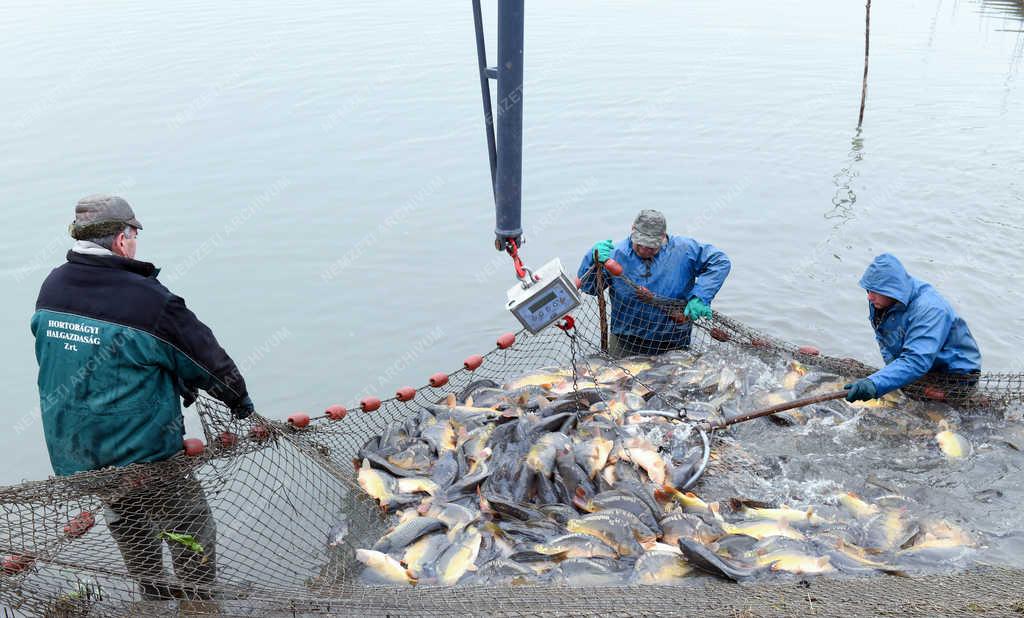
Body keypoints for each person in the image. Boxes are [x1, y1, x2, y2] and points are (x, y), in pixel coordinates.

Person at [31, 194, 254, 600]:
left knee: (127, 516)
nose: (135, 241)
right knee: (189, 524)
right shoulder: (151, 301)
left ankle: (151, 595)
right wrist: (241, 405)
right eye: (133, 234)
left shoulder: (53, 286)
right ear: (121, 240)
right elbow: (208, 363)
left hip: (77, 452)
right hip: (142, 451)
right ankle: (198, 600)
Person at [577, 209, 731, 357]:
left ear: (663, 236)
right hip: (625, 341)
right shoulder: (615, 254)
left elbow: (720, 262)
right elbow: (589, 288)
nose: (644, 249)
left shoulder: (685, 250)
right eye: (640, 243)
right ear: (632, 230)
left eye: (651, 245)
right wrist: (591, 259)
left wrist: (700, 296)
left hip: (674, 340)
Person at [845, 253, 981, 402]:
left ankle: (952, 397)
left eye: (875, 292)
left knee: (934, 407)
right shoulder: (879, 301)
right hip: (922, 366)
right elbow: (884, 339)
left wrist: (875, 383)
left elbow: (917, 360)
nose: (869, 297)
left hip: (956, 374)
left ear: (892, 290)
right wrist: (891, 376)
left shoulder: (931, 309)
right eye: (868, 290)